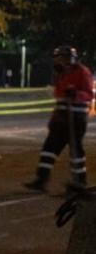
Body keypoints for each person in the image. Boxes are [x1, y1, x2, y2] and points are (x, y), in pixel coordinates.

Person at [24, 45, 93, 191]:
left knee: (76, 152)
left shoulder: (82, 72)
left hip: (76, 118)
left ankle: (80, 182)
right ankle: (41, 179)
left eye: (62, 58)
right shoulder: (60, 74)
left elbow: (89, 94)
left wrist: (76, 94)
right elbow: (59, 98)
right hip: (61, 118)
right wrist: (54, 119)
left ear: (70, 59)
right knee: (49, 148)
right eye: (58, 59)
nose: (59, 61)